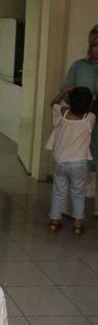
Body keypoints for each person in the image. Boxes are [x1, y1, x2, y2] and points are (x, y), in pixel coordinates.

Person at [46, 86, 95, 234]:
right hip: (79, 163)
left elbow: (52, 103)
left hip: (61, 161)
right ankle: (78, 225)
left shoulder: (63, 112)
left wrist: (65, 91)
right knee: (78, 193)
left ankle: (54, 222)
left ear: (71, 102)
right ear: (88, 104)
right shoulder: (89, 118)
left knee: (58, 192)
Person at [60, 24, 98, 171]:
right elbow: (66, 91)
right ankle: (85, 193)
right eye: (95, 45)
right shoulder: (79, 66)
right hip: (82, 123)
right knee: (82, 163)